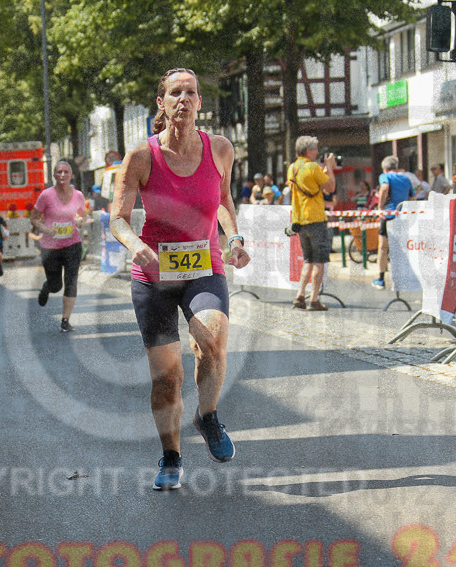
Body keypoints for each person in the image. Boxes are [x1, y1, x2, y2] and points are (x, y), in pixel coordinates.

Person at [110, 67, 251, 491]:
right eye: (175, 92)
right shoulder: (140, 157)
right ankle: (171, 456)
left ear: (200, 103)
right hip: (153, 274)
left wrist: (235, 236)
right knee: (166, 376)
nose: (183, 99)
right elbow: (117, 218)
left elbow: (223, 199)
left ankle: (207, 416)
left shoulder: (220, 149)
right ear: (162, 103)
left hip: (203, 265)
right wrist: (135, 245)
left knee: (213, 339)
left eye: (191, 92)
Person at [30, 161, 94, 332]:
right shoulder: (46, 195)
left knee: (71, 281)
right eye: (59, 172)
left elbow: (83, 216)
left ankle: (65, 320)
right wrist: (46, 229)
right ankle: (46, 287)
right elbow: (34, 218)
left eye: (66, 172)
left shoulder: (79, 195)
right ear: (54, 175)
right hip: (50, 247)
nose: (62, 175)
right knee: (56, 285)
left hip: (72, 244)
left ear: (71, 175)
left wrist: (80, 221)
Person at [286, 135, 336, 311]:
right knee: (319, 261)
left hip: (300, 220)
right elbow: (330, 187)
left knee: (308, 260)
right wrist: (329, 168)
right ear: (308, 151)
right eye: (315, 149)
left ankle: (300, 295)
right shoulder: (313, 167)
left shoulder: (293, 168)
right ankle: (314, 299)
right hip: (316, 219)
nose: (317, 152)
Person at [373, 155, 415, 289]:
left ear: (385, 168)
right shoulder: (406, 178)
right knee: (401, 248)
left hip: (388, 215)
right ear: (396, 167)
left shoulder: (385, 176)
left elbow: (384, 188)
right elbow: (413, 197)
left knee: (383, 248)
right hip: (402, 216)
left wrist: (380, 208)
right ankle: (402, 279)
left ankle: (380, 279)